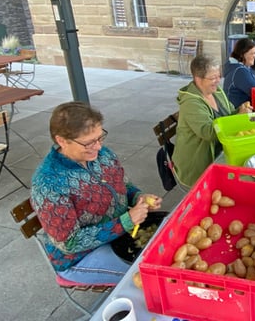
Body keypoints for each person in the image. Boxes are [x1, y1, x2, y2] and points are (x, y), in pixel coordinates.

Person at [31, 102, 162, 284]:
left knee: (168, 245)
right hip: (79, 258)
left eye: (100, 138)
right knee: (155, 274)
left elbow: (122, 185)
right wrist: (126, 221)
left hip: (120, 235)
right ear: (61, 140)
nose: (98, 147)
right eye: (89, 142)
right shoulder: (49, 183)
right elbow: (69, 243)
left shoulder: (102, 154)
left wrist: (138, 197)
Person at [173, 54, 253, 187]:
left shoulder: (216, 91)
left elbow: (229, 113)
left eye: (218, 76)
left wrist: (239, 110)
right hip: (197, 166)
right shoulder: (191, 103)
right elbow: (208, 133)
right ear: (198, 79)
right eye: (213, 78)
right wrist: (238, 117)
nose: (218, 81)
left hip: (221, 152)